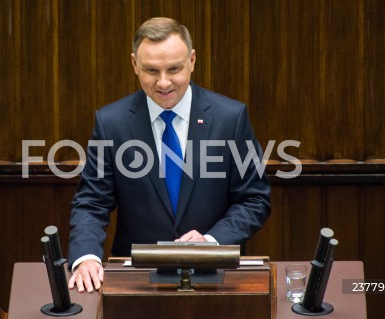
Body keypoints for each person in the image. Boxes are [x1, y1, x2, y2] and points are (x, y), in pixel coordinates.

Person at [68, 17, 271, 293]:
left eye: (174, 69)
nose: (163, 83)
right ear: (134, 65)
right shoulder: (111, 123)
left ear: (192, 60)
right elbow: (92, 202)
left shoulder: (230, 118)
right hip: (138, 280)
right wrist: (86, 257)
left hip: (217, 276)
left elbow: (254, 198)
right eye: (151, 70)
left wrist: (211, 241)